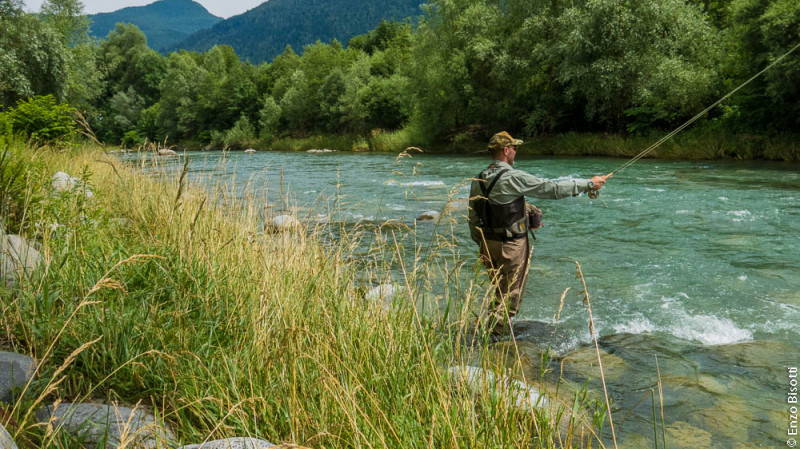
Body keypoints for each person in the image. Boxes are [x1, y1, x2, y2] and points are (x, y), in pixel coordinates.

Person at [468, 131, 607, 335]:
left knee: (499, 292)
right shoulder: (513, 177)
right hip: (511, 246)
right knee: (509, 298)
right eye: (514, 148)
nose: (516, 152)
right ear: (506, 151)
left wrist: (480, 242)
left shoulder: (477, 179)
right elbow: (552, 189)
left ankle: (489, 332)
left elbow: (473, 216)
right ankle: (493, 343)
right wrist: (588, 184)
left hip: (487, 244)